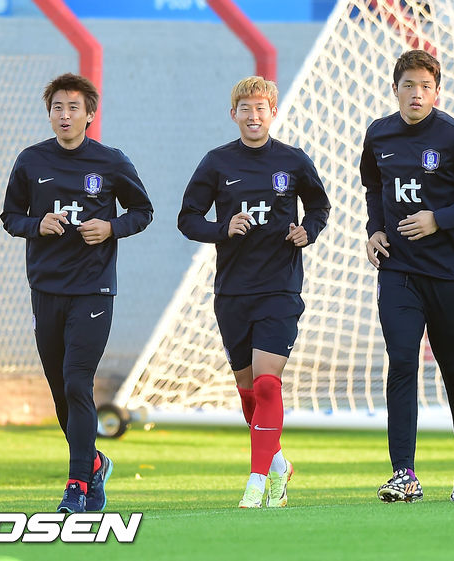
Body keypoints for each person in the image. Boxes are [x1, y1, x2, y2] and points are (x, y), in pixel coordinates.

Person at [1, 73, 153, 513]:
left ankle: (77, 486)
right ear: (49, 114)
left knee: (76, 381)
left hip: (93, 289)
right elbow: (10, 216)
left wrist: (111, 227)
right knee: (60, 392)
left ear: (90, 114)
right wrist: (37, 224)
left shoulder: (111, 162)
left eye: (73, 107)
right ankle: (96, 463)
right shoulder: (31, 160)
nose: (64, 115)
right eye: (57, 108)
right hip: (46, 289)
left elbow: (142, 211)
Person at [178, 76, 330, 508]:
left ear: (272, 113)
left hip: (280, 288)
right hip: (232, 291)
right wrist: (221, 228)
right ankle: (279, 463)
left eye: (261, 108)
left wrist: (308, 231)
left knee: (266, 384)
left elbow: (319, 206)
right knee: (248, 393)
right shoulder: (216, 163)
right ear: (234, 115)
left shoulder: (293, 160)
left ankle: (257, 481)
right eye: (245, 108)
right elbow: (187, 218)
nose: (253, 115)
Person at [360, 50, 454, 503]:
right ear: (394, 89)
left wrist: (439, 219)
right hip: (398, 269)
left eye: (425, 86)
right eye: (408, 85)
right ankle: (404, 474)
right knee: (401, 361)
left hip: (450, 273)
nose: (416, 93)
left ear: (437, 92)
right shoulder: (378, 134)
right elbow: (374, 185)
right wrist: (374, 228)